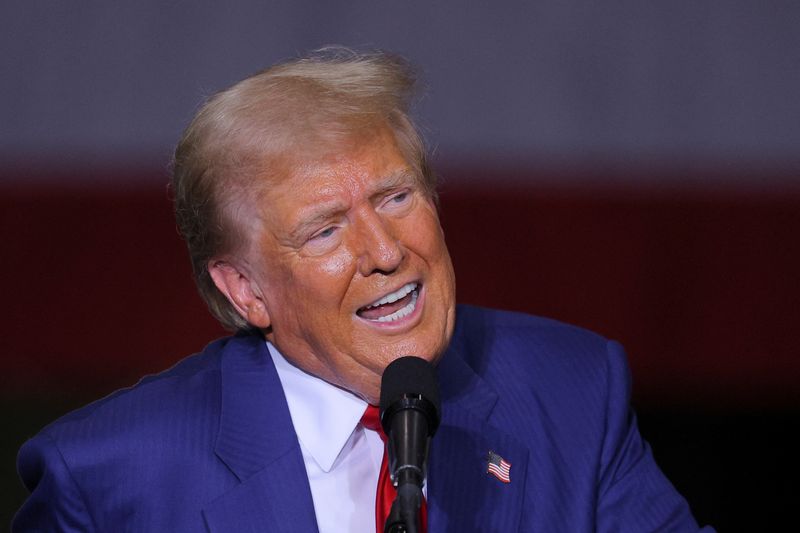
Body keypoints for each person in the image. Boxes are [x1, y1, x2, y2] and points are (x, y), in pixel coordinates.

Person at [13, 48, 712, 532]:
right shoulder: (111, 477)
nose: (385, 251)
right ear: (245, 289)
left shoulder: (572, 393)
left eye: (396, 196)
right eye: (324, 231)